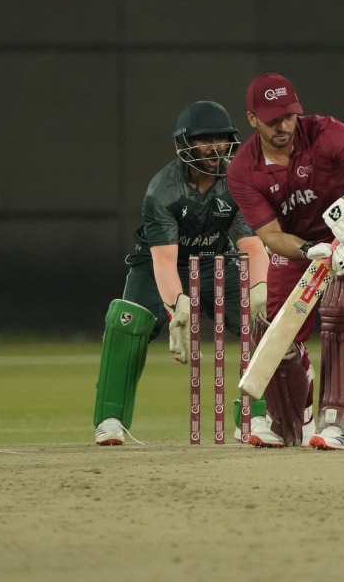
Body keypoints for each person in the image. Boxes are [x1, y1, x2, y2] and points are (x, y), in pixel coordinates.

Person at [226, 73, 344, 450]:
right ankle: (289, 422)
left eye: (288, 116)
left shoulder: (323, 131)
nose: (283, 126)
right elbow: (270, 236)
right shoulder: (242, 169)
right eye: (272, 119)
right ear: (252, 119)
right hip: (299, 242)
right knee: (276, 330)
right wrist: (307, 251)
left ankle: (340, 422)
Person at [93, 101, 270, 446]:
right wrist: (177, 308)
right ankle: (110, 418)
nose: (214, 147)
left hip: (217, 261)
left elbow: (251, 244)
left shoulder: (238, 181)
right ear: (185, 143)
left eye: (221, 139)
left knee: (263, 319)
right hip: (159, 264)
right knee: (128, 320)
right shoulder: (163, 191)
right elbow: (163, 260)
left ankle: (255, 415)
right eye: (204, 139)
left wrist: (261, 289)